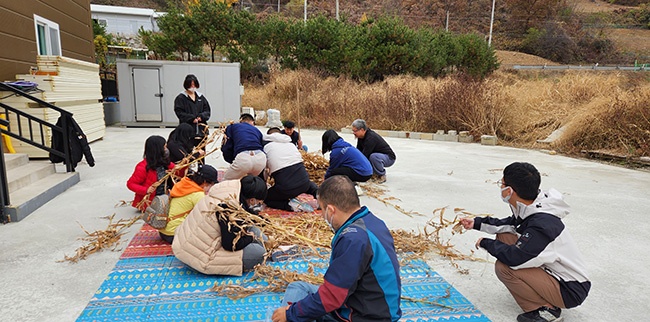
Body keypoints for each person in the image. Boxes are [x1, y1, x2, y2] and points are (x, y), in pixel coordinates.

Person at [459, 162, 590, 322]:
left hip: (569, 289)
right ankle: (540, 294)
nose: (500, 186)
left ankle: (545, 310)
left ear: (509, 191)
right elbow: (510, 225)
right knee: (505, 236)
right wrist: (476, 223)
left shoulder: (541, 224)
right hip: (556, 272)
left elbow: (516, 258)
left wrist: (486, 243)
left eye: (502, 183)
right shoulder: (532, 206)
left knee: (504, 268)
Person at [271, 175, 402, 322]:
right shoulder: (372, 222)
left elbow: (332, 297)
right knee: (299, 288)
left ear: (331, 210)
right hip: (372, 304)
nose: (323, 217)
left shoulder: (353, 239)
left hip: (366, 316)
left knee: (294, 311)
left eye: (322, 210)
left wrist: (290, 314)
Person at [172, 175, 268, 276]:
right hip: (201, 256)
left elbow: (246, 213)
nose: (258, 205)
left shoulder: (228, 191)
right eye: (259, 203)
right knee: (259, 253)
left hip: (187, 243)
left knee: (255, 231)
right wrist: (250, 237)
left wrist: (260, 221)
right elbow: (230, 244)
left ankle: (265, 245)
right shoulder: (227, 209)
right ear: (252, 200)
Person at [158, 164, 219, 243]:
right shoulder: (198, 195)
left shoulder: (184, 183)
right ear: (205, 182)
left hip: (163, 231)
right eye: (211, 184)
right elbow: (206, 217)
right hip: (174, 234)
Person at [263, 127, 318, 212]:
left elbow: (264, 170)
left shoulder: (266, 147)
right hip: (304, 184)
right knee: (310, 185)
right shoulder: (291, 144)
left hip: (286, 189)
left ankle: (290, 206)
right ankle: (321, 199)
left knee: (266, 198)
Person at [126, 135, 175, 211]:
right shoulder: (143, 167)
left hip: (166, 196)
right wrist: (146, 190)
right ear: (158, 150)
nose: (166, 150)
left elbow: (178, 170)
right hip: (151, 203)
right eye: (164, 147)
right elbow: (131, 184)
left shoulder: (165, 163)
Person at [221, 113, 266, 180]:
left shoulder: (232, 127)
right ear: (253, 122)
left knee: (226, 182)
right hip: (260, 158)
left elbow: (226, 148)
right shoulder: (257, 130)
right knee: (253, 183)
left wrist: (232, 161)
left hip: (243, 158)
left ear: (240, 121)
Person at [351, 119, 396, 183]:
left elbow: (364, 156)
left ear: (362, 130)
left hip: (389, 158)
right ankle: (374, 173)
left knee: (373, 157)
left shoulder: (371, 138)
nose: (353, 133)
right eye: (353, 131)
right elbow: (359, 152)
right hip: (378, 156)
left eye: (355, 131)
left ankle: (381, 175)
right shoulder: (361, 137)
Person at [174, 74, 211, 144]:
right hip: (187, 130)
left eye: (194, 85)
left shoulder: (201, 97)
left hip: (201, 130)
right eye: (191, 85)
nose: (193, 87)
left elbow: (207, 110)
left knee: (201, 151)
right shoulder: (181, 98)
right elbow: (179, 112)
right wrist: (191, 118)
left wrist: (201, 117)